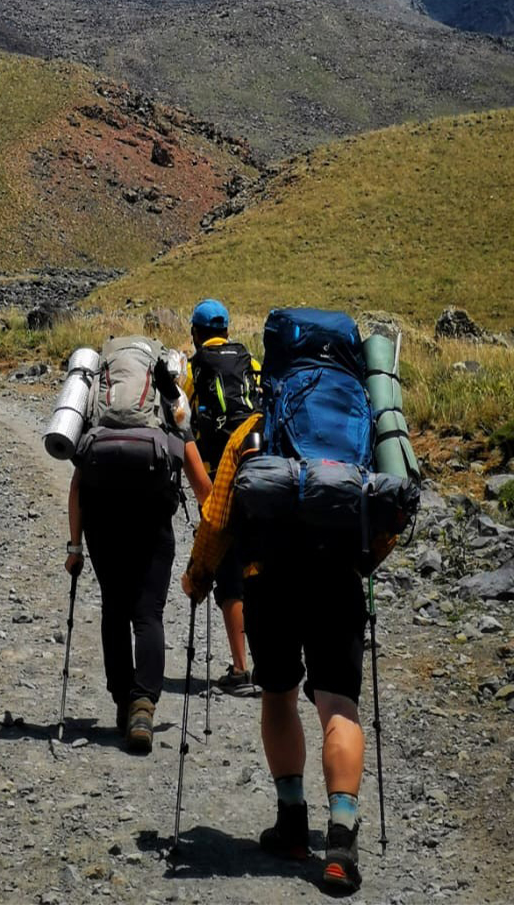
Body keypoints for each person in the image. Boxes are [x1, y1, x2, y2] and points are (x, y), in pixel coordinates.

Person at [182, 314, 393, 896]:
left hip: (268, 579)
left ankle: (292, 822)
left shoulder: (255, 427)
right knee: (339, 703)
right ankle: (342, 843)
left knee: (277, 694)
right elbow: (388, 510)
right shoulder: (363, 428)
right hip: (338, 578)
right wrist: (361, 563)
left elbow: (218, 517)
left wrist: (198, 578)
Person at [64, 337, 212, 754]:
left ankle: (122, 701)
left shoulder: (95, 398)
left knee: (115, 607)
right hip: (152, 519)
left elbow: (76, 484)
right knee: (148, 612)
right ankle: (144, 707)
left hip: (102, 518)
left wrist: (74, 547)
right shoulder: (168, 398)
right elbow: (199, 482)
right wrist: (217, 531)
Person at [182, 297, 260, 694]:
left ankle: (240, 667)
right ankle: (267, 662)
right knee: (258, 567)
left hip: (218, 481)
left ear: (196, 334)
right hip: (259, 475)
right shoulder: (252, 363)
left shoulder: (195, 370)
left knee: (229, 573)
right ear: (227, 330)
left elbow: (183, 421)